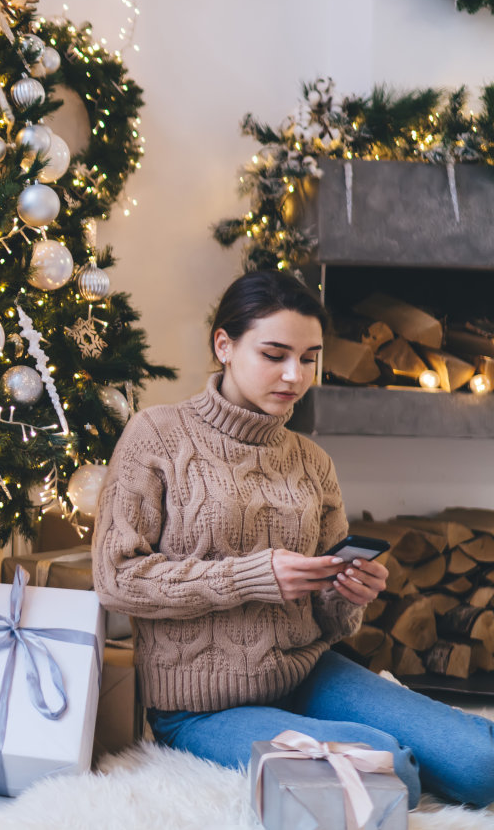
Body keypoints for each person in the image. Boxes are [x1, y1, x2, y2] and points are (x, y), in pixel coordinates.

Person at [93, 270, 494, 808]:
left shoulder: (312, 462)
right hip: (203, 708)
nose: (294, 375)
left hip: (308, 673)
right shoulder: (157, 433)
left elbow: (329, 619)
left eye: (309, 358)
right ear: (224, 345)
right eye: (274, 354)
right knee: (385, 767)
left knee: (480, 761)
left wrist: (345, 592)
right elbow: (117, 579)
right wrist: (254, 576)